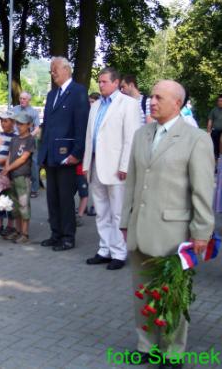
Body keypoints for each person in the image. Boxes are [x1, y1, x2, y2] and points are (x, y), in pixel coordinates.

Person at [120, 80, 214, 369]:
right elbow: (133, 182)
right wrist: (125, 221)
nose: (152, 101)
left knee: (172, 296)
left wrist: (202, 232)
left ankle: (172, 352)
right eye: (151, 96)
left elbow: (202, 189)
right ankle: (146, 346)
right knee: (142, 293)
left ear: (177, 103)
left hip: (174, 233)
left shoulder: (196, 138)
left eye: (159, 97)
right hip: (139, 229)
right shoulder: (141, 134)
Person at [82, 67, 141, 270]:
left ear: (116, 83)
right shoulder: (96, 105)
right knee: (101, 211)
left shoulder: (128, 104)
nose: (100, 84)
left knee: (117, 212)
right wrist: (85, 163)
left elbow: (131, 137)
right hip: (96, 164)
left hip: (117, 167)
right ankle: (104, 249)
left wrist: (125, 165)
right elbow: (90, 136)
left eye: (105, 81)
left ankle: (119, 252)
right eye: (99, 81)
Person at [37, 56, 89, 251]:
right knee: (52, 197)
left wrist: (77, 153)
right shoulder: (52, 95)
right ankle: (55, 233)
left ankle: (68, 237)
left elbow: (81, 125)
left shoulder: (78, 92)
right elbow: (48, 126)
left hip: (68, 155)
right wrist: (43, 155)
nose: (52, 72)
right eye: (51, 70)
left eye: (55, 69)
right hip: (51, 155)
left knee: (66, 198)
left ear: (67, 70)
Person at [1, 112, 35, 244]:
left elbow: (24, 158)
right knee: (14, 206)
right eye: (17, 123)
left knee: (23, 204)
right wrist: (6, 168)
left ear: (29, 125)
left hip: (22, 177)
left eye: (21, 124)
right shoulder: (14, 139)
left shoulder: (30, 140)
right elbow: (10, 155)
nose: (18, 126)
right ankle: (17, 230)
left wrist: (9, 168)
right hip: (12, 177)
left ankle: (25, 234)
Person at [12, 92, 41, 198]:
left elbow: (37, 128)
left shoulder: (33, 112)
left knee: (33, 164)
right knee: (15, 163)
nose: (22, 100)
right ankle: (16, 187)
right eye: (20, 98)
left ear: (29, 100)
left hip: (30, 140)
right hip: (16, 140)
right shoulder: (14, 109)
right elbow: (7, 121)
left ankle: (34, 189)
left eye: (24, 99)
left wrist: (28, 137)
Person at [206, 94, 222, 159]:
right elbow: (210, 121)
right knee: (214, 147)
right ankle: (216, 159)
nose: (220, 102)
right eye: (219, 101)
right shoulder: (214, 110)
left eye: (221, 101)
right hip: (215, 131)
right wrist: (208, 132)